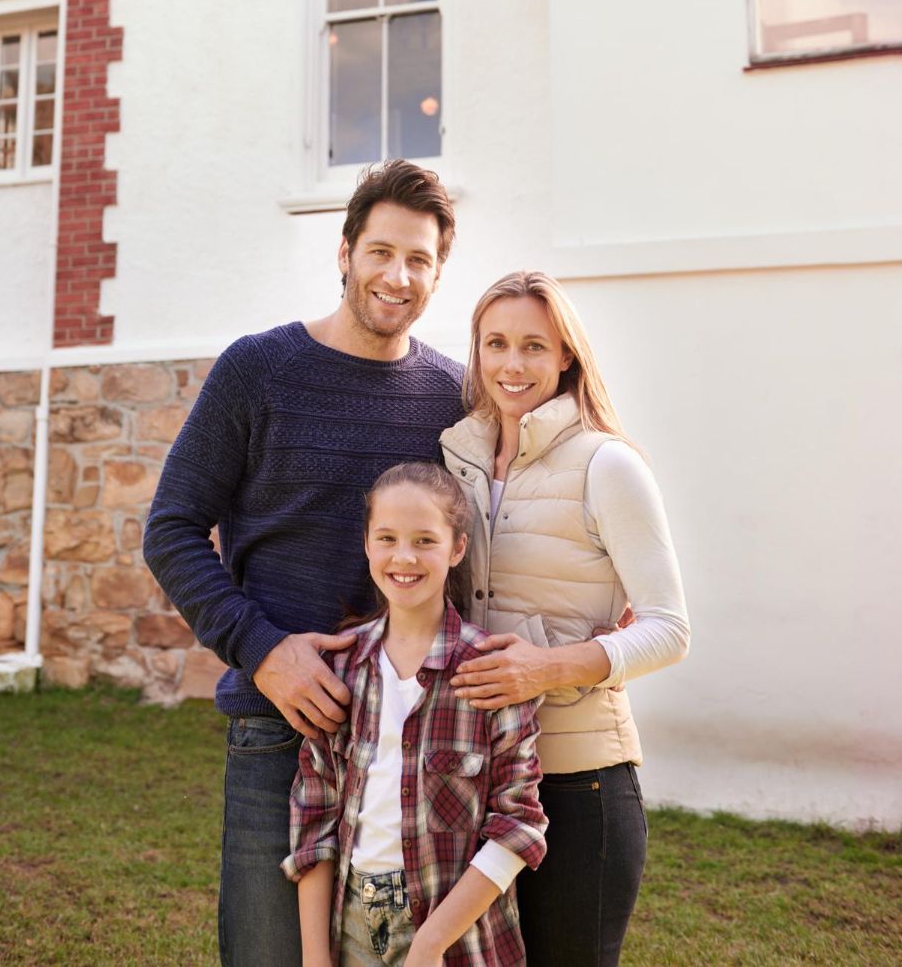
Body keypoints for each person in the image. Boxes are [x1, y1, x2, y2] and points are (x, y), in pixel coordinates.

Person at [143, 161, 466, 967]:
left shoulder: (454, 398)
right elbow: (172, 528)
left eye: (419, 260)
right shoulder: (259, 370)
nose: (398, 276)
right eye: (381, 252)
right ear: (345, 251)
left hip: (411, 739)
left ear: (437, 273)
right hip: (279, 729)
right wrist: (263, 649)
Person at [440, 271, 691, 967]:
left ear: (565, 357)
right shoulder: (454, 457)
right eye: (495, 343)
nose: (511, 365)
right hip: (474, 778)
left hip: (579, 784)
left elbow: (669, 628)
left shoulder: (607, 465)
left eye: (532, 346)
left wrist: (544, 668)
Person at [283, 460, 547, 967]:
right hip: (352, 924)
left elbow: (518, 824)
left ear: (457, 548)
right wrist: (316, 957)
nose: (404, 557)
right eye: (387, 538)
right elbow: (313, 817)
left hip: (458, 936)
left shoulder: (492, 673)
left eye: (425, 540)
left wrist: (430, 944)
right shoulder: (339, 669)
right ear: (366, 544)